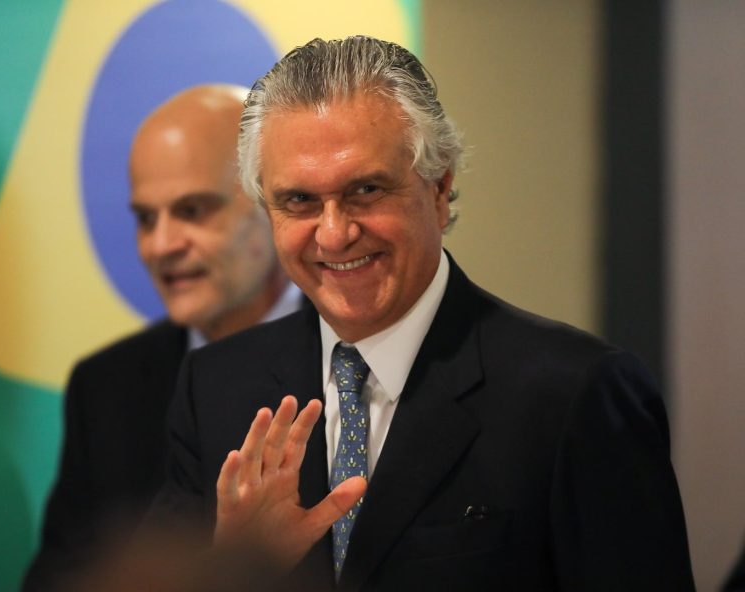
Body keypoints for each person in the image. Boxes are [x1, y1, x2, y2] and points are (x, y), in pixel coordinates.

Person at [159, 37, 696, 590]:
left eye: (366, 189)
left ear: (439, 191)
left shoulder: (575, 395)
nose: (335, 233)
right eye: (299, 201)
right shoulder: (215, 388)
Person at [24, 84, 300, 590]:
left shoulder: (352, 359)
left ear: (272, 203)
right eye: (146, 219)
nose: (161, 245)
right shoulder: (105, 388)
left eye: (193, 210)